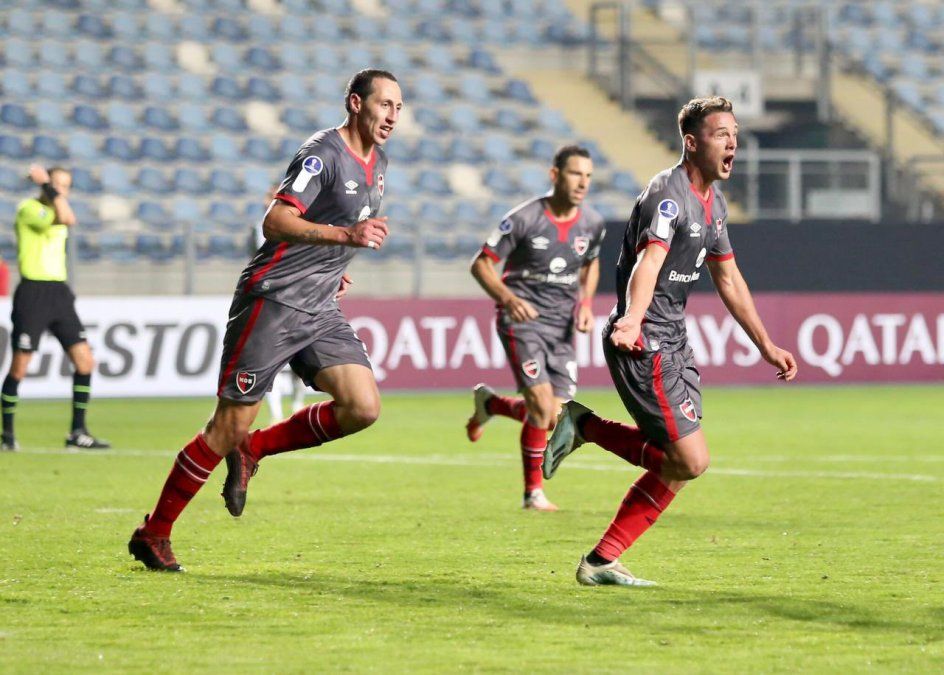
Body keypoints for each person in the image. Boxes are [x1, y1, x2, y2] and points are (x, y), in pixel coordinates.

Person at [128, 69, 402, 571]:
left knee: (363, 406)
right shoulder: (322, 153)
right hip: (273, 301)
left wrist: (332, 265)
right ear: (355, 103)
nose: (392, 116)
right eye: (384, 104)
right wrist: (344, 239)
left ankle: (254, 449)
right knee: (227, 425)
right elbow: (275, 221)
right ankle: (154, 533)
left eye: (398, 108)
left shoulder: (378, 162)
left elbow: (333, 225)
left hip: (320, 305)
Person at [544, 97, 797, 586]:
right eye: (721, 134)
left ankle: (601, 561)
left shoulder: (714, 204)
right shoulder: (669, 193)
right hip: (645, 342)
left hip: (674, 340)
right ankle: (585, 427)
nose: (733, 143)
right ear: (691, 142)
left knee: (680, 465)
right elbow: (650, 260)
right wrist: (633, 319)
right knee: (689, 460)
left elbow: (729, 279)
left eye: (735, 134)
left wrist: (765, 344)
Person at [466, 145, 605, 511]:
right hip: (522, 321)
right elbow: (481, 264)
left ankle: (492, 404)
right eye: (575, 174)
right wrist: (508, 298)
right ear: (555, 175)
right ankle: (533, 494)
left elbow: (591, 263)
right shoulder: (524, 218)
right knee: (542, 407)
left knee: (554, 416)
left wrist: (586, 303)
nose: (583, 183)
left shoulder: (592, 223)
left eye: (588, 176)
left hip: (562, 327)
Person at [1, 165, 109, 451]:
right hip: (33, 292)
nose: (61, 190)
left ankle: (77, 432)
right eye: (57, 184)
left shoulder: (59, 206)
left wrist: (49, 187)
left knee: (85, 362)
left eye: (66, 186)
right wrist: (46, 186)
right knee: (20, 366)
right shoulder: (29, 208)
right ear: (46, 184)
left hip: (59, 293)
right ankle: (7, 435)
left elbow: (68, 216)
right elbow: (66, 217)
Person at [249, 185, 307, 423]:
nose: (270, 200)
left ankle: (297, 405)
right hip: (268, 298)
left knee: (300, 358)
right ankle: (276, 415)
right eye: (268, 196)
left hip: (297, 296)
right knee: (269, 360)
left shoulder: (300, 227)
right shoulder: (257, 230)